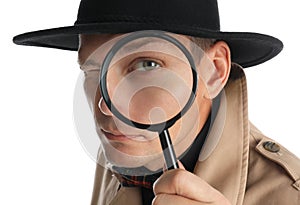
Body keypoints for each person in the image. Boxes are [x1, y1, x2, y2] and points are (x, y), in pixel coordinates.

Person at [13, 0, 300, 204]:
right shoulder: (120, 151)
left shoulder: (290, 194)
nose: (105, 105)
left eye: (147, 64)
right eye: (92, 70)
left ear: (214, 70)